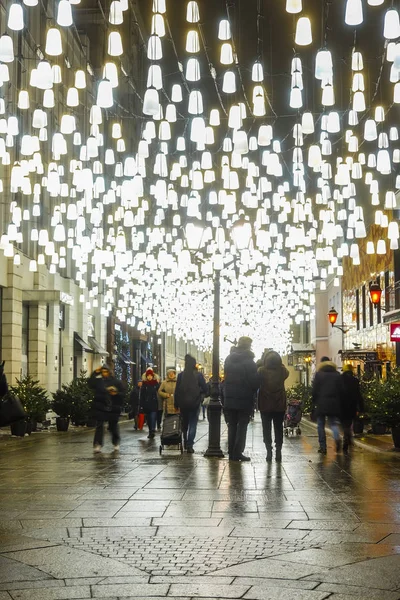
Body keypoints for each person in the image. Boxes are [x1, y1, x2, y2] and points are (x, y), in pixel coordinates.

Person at [223, 337, 259, 462]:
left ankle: (231, 452)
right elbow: (254, 382)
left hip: (229, 397)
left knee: (232, 425)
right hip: (244, 398)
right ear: (249, 346)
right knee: (242, 425)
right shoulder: (250, 362)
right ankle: (237, 452)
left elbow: (226, 376)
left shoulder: (229, 359)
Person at [258, 351, 289, 462]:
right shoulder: (282, 371)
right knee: (278, 427)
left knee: (266, 428)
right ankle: (278, 451)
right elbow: (286, 372)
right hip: (279, 404)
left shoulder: (261, 371)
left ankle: (269, 451)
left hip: (265, 404)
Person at [174, 354, 208, 453]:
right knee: (193, 424)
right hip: (195, 403)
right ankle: (189, 445)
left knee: (185, 423)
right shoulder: (198, 375)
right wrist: (201, 395)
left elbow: (177, 391)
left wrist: (176, 403)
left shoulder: (181, 375)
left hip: (183, 404)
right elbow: (206, 389)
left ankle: (185, 440)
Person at [88, 364, 125, 453]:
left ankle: (115, 442)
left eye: (106, 372)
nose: (104, 373)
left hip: (113, 407)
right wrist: (95, 373)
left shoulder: (116, 382)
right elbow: (90, 384)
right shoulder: (98, 381)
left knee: (113, 426)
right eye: (103, 372)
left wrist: (116, 393)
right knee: (100, 425)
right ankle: (98, 444)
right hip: (101, 406)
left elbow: (123, 393)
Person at [312, 356, 343, 455]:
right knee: (333, 423)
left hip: (322, 403)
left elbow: (315, 390)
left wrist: (314, 402)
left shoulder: (319, 375)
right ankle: (337, 437)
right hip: (334, 403)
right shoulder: (337, 374)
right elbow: (341, 390)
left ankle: (323, 447)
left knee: (320, 425)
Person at [341, 364, 364, 453]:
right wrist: (361, 407)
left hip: (341, 406)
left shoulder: (339, 380)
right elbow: (358, 395)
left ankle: (346, 436)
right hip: (352, 406)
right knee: (349, 422)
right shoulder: (355, 381)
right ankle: (348, 437)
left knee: (344, 424)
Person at [139, 368, 160, 439]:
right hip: (146, 405)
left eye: (151, 375)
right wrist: (141, 406)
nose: (149, 377)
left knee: (153, 417)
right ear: (146, 376)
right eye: (148, 375)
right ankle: (150, 431)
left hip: (154, 404)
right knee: (148, 419)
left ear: (153, 376)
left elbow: (159, 392)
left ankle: (153, 430)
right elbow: (141, 396)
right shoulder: (144, 384)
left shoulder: (156, 384)